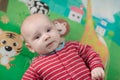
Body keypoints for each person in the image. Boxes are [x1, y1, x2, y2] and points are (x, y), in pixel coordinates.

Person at [21, 13, 105, 80]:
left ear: (56, 30)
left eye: (48, 30)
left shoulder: (73, 46)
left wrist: (96, 67)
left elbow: (90, 53)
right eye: (37, 37)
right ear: (30, 47)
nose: (46, 36)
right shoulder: (36, 67)